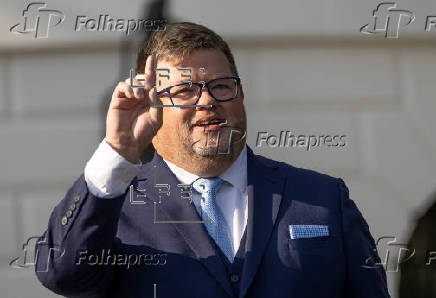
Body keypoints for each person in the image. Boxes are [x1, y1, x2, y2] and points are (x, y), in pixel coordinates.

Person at [35, 22, 390, 298]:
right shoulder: (117, 209)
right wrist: (117, 151)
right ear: (150, 107)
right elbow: (63, 275)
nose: (207, 101)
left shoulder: (322, 198)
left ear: (241, 94)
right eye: (184, 91)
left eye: (221, 86)